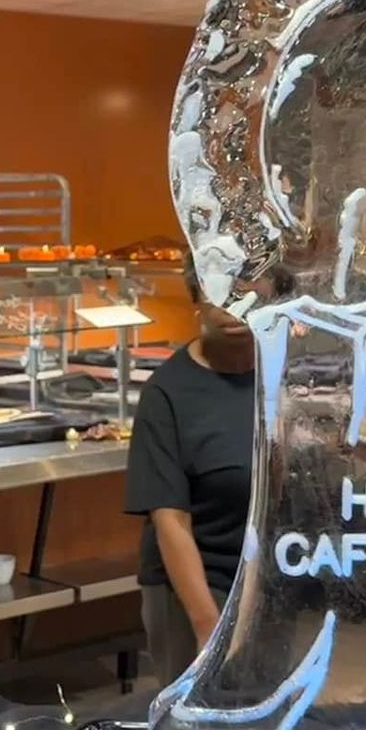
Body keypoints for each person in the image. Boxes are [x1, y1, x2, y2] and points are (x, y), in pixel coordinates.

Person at [125, 257, 257, 682]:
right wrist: (207, 627)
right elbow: (171, 523)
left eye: (248, 289)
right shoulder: (167, 394)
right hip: (196, 584)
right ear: (196, 299)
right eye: (220, 290)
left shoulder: (288, 377)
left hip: (267, 579)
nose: (234, 305)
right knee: (197, 729)